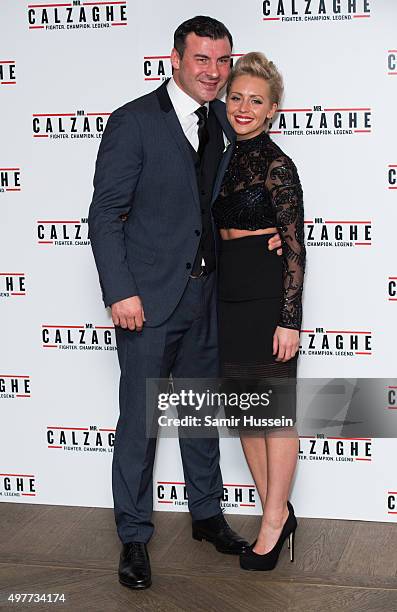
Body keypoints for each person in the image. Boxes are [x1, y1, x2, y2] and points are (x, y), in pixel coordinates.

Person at [88, 18, 282, 589]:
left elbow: (257, 186)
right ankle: (133, 536)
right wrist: (121, 290)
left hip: (207, 298)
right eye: (202, 60)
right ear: (173, 58)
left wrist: (274, 231)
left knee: (199, 416)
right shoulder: (134, 121)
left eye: (223, 62)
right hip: (147, 300)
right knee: (140, 422)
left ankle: (206, 516)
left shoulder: (227, 119)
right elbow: (104, 216)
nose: (214, 72)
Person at [212, 52, 305, 571]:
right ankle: (279, 509)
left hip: (268, 300)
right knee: (245, 413)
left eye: (256, 100)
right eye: (236, 96)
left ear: (273, 110)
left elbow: (294, 246)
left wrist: (289, 319)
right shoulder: (220, 159)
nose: (243, 107)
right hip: (226, 298)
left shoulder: (277, 164)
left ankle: (272, 521)